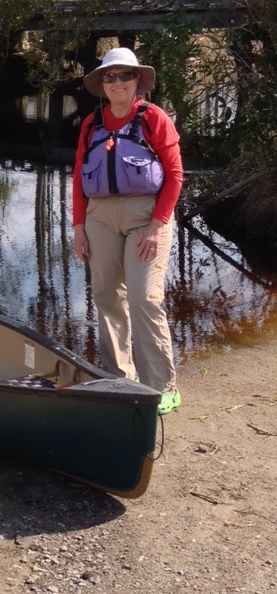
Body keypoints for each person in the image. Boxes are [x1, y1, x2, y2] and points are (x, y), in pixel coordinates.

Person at [72, 46, 183, 415]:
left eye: (125, 76)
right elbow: (77, 177)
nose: (118, 83)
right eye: (110, 76)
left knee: (144, 298)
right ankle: (119, 376)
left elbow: (175, 175)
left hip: (145, 218)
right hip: (99, 217)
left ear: (138, 81)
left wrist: (157, 225)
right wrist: (78, 227)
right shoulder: (91, 123)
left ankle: (161, 386)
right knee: (106, 296)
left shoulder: (154, 118)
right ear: (102, 84)